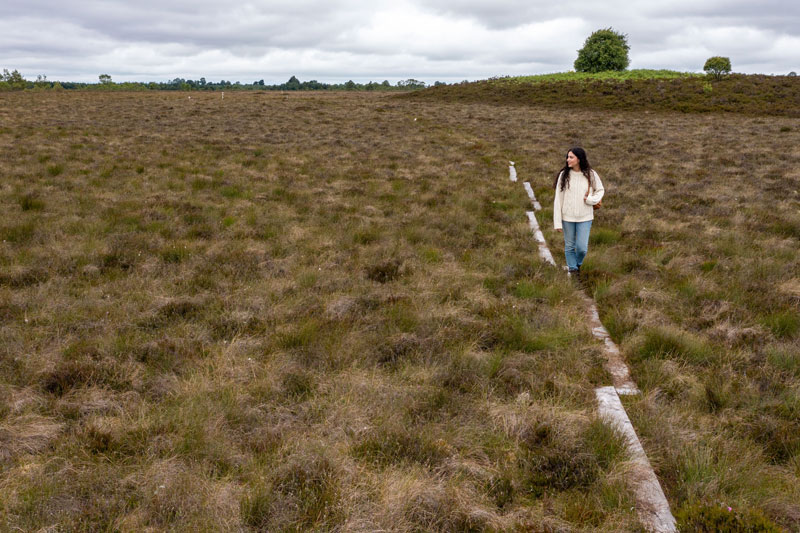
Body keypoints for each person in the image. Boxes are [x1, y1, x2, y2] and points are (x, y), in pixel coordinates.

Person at [553, 147, 604, 274]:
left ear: (579, 159)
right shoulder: (563, 175)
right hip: (567, 217)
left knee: (582, 248)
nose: (567, 159)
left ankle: (577, 264)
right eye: (567, 157)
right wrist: (557, 222)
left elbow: (600, 190)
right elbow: (558, 199)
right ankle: (574, 270)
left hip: (585, 217)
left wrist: (591, 200)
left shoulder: (590, 174)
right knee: (569, 247)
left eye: (571, 157)